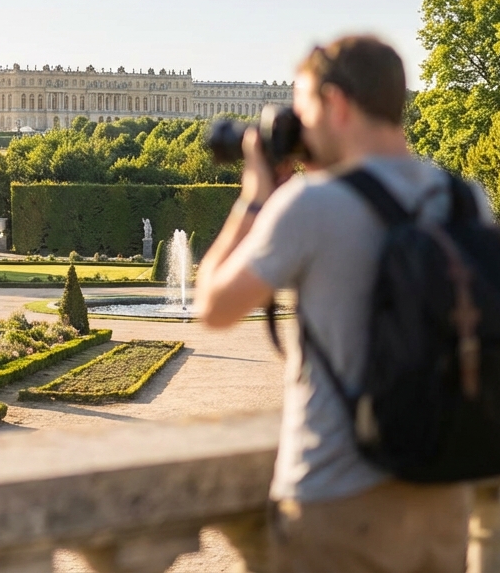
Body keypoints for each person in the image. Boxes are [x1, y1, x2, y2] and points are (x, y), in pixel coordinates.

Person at [195, 35, 482, 573]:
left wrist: (256, 196)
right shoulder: (464, 198)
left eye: (303, 108)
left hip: (337, 498)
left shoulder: (312, 204)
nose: (299, 127)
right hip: (443, 493)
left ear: (337, 104)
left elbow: (213, 306)